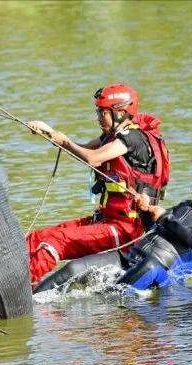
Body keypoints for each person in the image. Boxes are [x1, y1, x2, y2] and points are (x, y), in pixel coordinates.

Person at [26, 83, 170, 284]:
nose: (98, 118)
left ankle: (17, 290)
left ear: (120, 112)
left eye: (102, 113)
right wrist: (50, 133)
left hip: (126, 229)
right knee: (37, 238)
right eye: (98, 112)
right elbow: (82, 149)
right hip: (105, 220)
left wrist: (65, 141)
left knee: (54, 242)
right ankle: (2, 273)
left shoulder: (132, 139)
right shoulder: (113, 137)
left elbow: (93, 158)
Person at [33, 170, 192, 293]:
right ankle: (31, 298)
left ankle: (111, 300)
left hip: (157, 271)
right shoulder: (186, 206)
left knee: (149, 267)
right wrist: (145, 210)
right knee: (73, 269)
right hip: (129, 256)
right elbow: (152, 226)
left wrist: (165, 216)